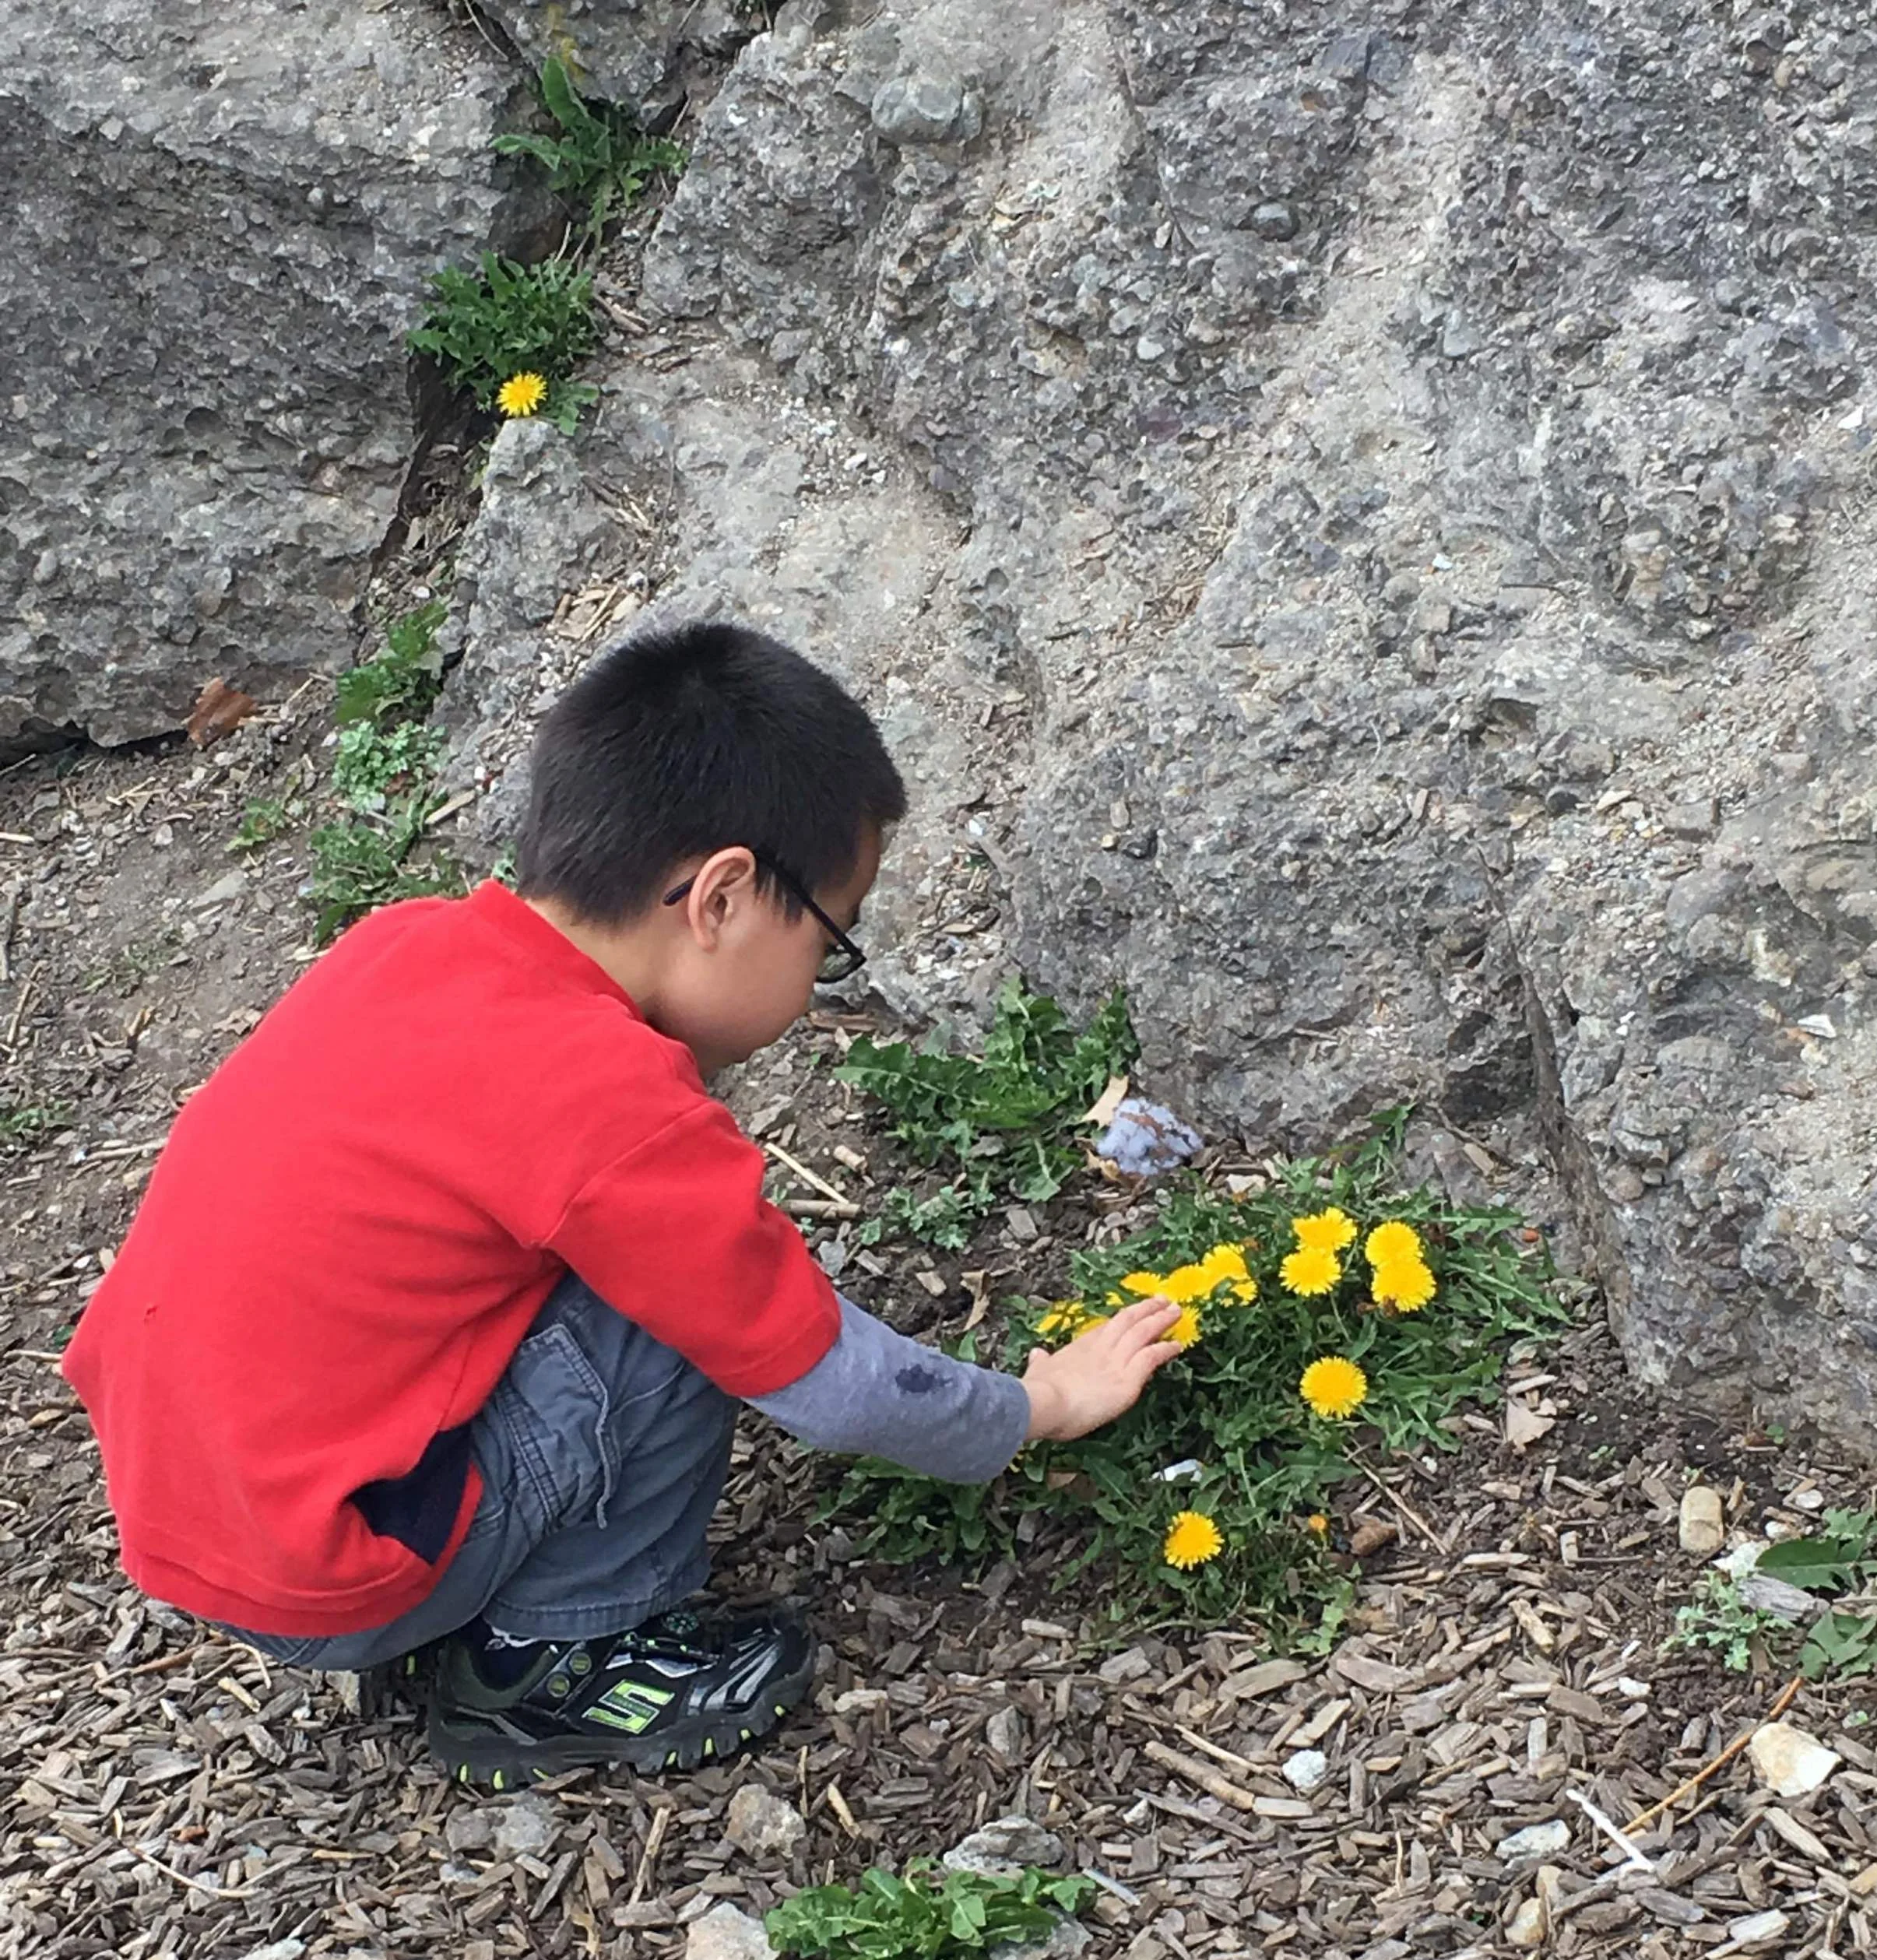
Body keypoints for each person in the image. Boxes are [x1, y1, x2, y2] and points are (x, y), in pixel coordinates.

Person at [63, 623, 1183, 1789]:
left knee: (614, 1266)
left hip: (202, 1506)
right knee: (674, 1302)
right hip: (330, 1568)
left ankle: (459, 1573)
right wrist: (1035, 1405)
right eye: (831, 944)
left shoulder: (403, 948)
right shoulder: (605, 1099)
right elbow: (825, 1379)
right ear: (723, 897)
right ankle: (557, 1657)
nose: (819, 985)